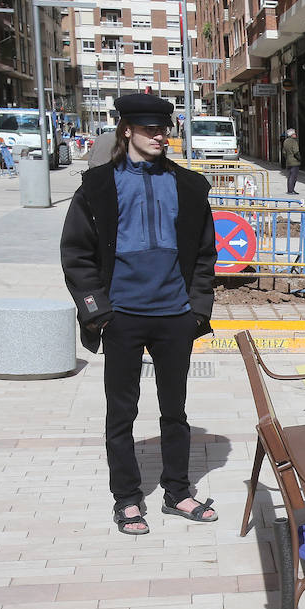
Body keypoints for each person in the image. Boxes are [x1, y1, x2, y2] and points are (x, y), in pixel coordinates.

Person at [60, 93, 220, 536]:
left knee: (175, 410)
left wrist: (197, 309)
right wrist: (98, 313)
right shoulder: (96, 187)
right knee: (121, 414)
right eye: (149, 128)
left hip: (175, 316)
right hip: (122, 316)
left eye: (163, 127)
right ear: (126, 130)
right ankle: (127, 499)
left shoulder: (188, 186)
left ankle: (177, 491)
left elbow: (206, 255)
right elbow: (77, 255)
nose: (159, 135)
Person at [280, 128, 301, 194]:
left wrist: (287, 157)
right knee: (293, 176)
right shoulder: (294, 141)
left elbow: (283, 152)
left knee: (289, 176)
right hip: (294, 161)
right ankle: (291, 190)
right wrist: (299, 158)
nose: (296, 135)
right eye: (294, 134)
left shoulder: (285, 141)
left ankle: (290, 189)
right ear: (292, 135)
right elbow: (296, 151)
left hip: (288, 161)